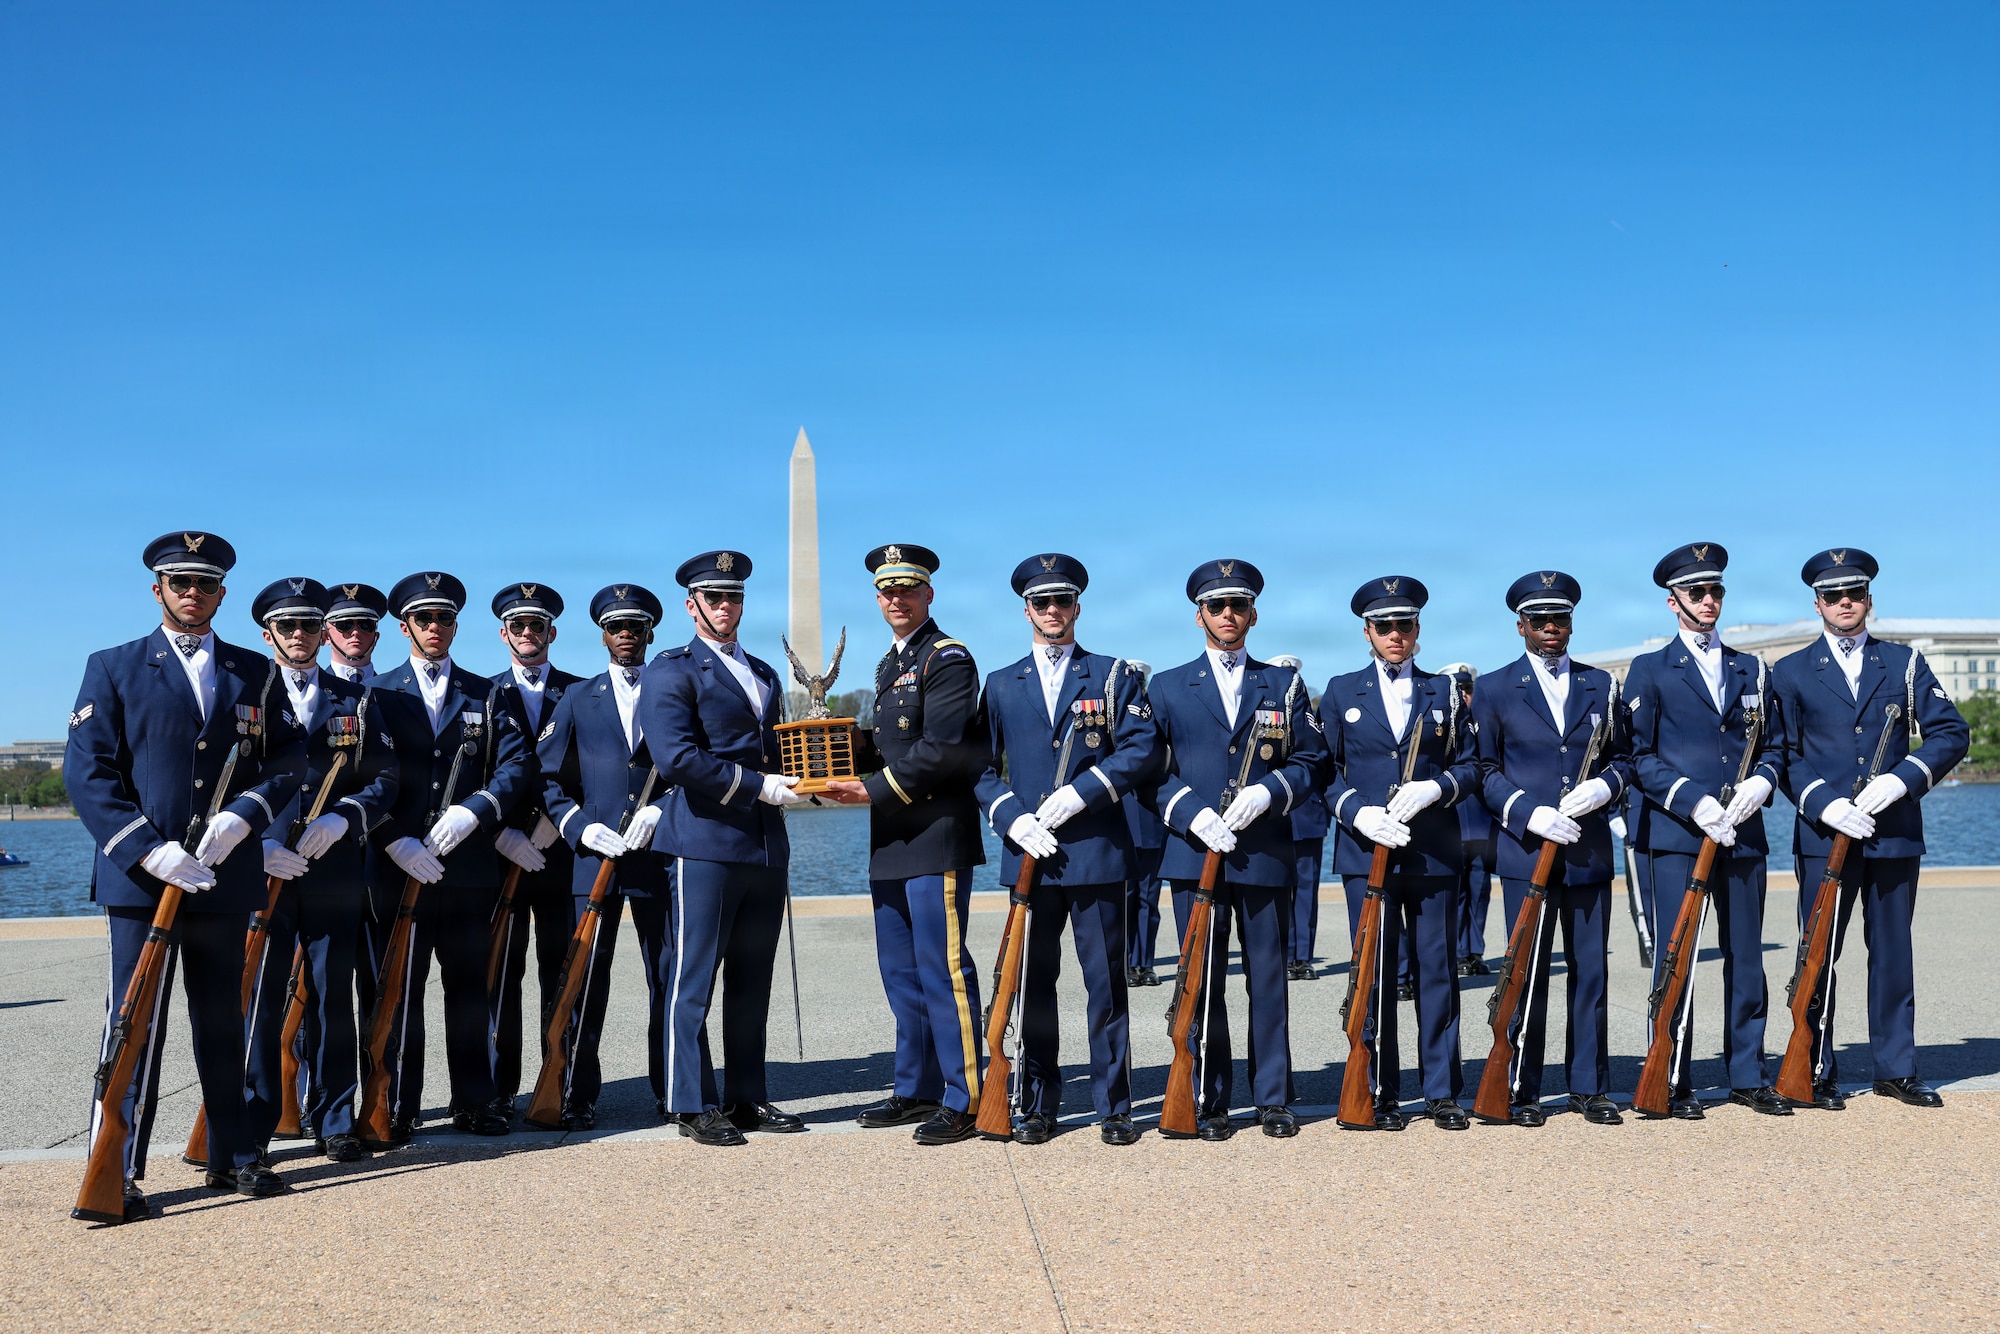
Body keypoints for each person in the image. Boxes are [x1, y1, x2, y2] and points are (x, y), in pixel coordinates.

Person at [66, 532, 303, 1219]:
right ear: (158, 590)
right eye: (180, 583)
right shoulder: (111, 667)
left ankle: (232, 1157)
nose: (192, 594)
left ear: (222, 594)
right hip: (143, 879)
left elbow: (289, 759)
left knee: (221, 1020)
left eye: (205, 584)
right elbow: (88, 771)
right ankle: (118, 1167)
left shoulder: (254, 671)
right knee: (134, 1021)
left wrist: (246, 816)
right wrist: (146, 848)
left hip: (224, 876)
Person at [973, 553, 1159, 1145]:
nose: (1052, 612)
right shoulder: (1001, 684)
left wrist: (1080, 797)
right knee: (1035, 986)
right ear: (1025, 609)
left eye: (1062, 601)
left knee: (1106, 983)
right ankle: (1039, 1103)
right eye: (1041, 602)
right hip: (1030, 854)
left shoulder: (1111, 675)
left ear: (1078, 606)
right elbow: (978, 767)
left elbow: (1140, 749)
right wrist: (1010, 818)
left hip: (1096, 850)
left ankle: (1114, 1105)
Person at [1772, 548, 1968, 1109]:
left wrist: (1904, 779)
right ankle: (1816, 1066)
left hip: (1894, 831)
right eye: (1834, 597)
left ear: (1869, 601)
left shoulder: (1904, 663)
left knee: (1892, 952)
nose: (1845, 604)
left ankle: (1896, 1068)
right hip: (1823, 836)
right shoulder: (1788, 671)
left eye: (1854, 595)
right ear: (1817, 605)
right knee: (1818, 953)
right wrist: (1822, 803)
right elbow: (1782, 752)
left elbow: (1950, 732)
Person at [1143, 559, 1328, 1141]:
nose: (1229, 615)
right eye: (1217, 606)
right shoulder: (1168, 685)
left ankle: (1273, 1096)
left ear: (1254, 614)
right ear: (1199, 614)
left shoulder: (1283, 684)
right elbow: (1148, 767)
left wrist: (1270, 792)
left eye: (1239, 605)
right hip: (1195, 852)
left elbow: (1313, 760)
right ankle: (1209, 1096)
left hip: (1264, 848)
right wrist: (1190, 813)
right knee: (1204, 979)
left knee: (1268, 978)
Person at [363, 571, 539, 1143]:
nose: (435, 627)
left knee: (469, 987)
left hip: (466, 867)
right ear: (404, 626)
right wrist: (392, 836)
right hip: (399, 865)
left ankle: (475, 1099)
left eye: (444, 618)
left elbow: (514, 767)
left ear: (457, 625)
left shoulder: (488, 693)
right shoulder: (379, 694)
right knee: (401, 988)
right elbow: (363, 777)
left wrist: (477, 812)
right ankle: (401, 1102)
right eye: (423, 619)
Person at [823, 544, 989, 1146]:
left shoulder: (948, 658)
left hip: (934, 834)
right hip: (890, 835)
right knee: (899, 971)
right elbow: (890, 742)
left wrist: (869, 789)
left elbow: (942, 747)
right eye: (887, 591)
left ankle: (967, 1095)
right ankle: (916, 1086)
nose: (897, 599)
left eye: (908, 589)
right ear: (877, 599)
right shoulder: (887, 665)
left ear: (928, 595)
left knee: (943, 970)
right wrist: (826, 755)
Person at [639, 551, 806, 1146]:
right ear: (692, 605)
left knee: (753, 979)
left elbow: (775, 751)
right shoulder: (671, 670)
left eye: (733, 597)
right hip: (704, 842)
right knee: (692, 977)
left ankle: (746, 1096)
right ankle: (689, 1100)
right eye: (714, 598)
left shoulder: (764, 671)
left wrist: (812, 777)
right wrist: (760, 787)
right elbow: (675, 758)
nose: (725, 606)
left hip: (764, 846)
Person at [1623, 543, 1790, 1118]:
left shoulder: (1751, 668)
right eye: (1698, 593)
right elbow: (1638, 756)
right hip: (1677, 835)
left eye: (1717, 591)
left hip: (1742, 831)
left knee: (1747, 954)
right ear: (1674, 603)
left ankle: (1747, 1072)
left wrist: (1761, 785)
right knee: (1679, 955)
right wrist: (1692, 802)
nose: (1710, 600)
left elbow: (1773, 745)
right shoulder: (1649, 669)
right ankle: (1670, 1073)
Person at [241, 577, 398, 1162]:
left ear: (322, 631)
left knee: (332, 997)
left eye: (310, 625)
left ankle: (334, 1118)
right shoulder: (246, 694)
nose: (301, 636)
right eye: (289, 626)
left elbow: (384, 780)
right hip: (264, 866)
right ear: (269, 633)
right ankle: (253, 1130)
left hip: (334, 867)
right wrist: (252, 843)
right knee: (262, 1001)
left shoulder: (354, 698)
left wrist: (346, 818)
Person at [1473, 570, 1634, 1127]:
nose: (1551, 628)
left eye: (1560, 619)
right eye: (1540, 620)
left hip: (1587, 850)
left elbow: (1626, 759)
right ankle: (1520, 1086)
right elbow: (1483, 770)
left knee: (1591, 971)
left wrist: (1604, 788)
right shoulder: (1494, 688)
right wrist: (1527, 810)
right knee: (1528, 970)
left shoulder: (1600, 685)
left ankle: (1589, 1086)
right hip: (1526, 851)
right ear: (1520, 625)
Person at [1319, 578, 1480, 1131]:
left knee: (1437, 971)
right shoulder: (1341, 691)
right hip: (1368, 854)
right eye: (1383, 626)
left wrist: (1437, 788)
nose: (1395, 635)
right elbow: (1322, 771)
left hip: (1432, 851)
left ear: (1417, 630)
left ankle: (1441, 1090)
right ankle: (1380, 1088)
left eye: (1404, 625)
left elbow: (1473, 765)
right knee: (1376, 971)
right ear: (1367, 632)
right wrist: (1356, 811)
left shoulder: (1444, 691)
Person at [538, 584, 675, 1128]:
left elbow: (690, 764)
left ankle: (675, 1089)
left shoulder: (673, 689)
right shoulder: (576, 697)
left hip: (660, 853)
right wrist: (578, 827)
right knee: (586, 981)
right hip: (592, 860)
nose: (626, 635)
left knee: (666, 978)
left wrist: (665, 809)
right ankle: (574, 1091)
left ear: (649, 634)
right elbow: (547, 778)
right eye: (617, 627)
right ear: (602, 635)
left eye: (636, 627)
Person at [487, 582, 586, 1117]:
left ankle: (567, 1087)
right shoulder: (483, 691)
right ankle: (499, 1090)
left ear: (552, 632)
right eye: (518, 626)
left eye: (537, 626)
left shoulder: (581, 691)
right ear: (504, 633)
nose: (528, 634)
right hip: (499, 852)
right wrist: (500, 832)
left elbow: (593, 769)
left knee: (562, 969)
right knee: (501, 972)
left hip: (560, 850)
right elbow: (476, 775)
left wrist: (556, 824)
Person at [1268, 655, 1328, 982]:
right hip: (1276, 813)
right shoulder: (1265, 715)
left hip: (1309, 815)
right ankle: (1282, 953)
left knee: (1306, 889)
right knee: (1278, 889)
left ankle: (1301, 957)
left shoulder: (1313, 718)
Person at [1440, 665, 1496, 978]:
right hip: (1453, 819)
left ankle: (1474, 952)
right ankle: (1457, 951)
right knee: (1456, 891)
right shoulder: (1442, 722)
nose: (1464, 694)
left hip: (1481, 818)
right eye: (1458, 689)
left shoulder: (1485, 722)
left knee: (1479, 889)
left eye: (1467, 689)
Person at [1120, 660, 1168, 989]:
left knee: (1148, 899)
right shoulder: (1117, 718)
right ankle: (1124, 962)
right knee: (1125, 898)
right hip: (1122, 819)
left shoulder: (1157, 719)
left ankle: (1145, 963)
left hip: (1151, 822)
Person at [324, 583, 389, 685]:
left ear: (376, 637)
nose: (355, 632)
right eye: (344, 625)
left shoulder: (396, 692)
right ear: (326, 636)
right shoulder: (313, 690)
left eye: (365, 625)